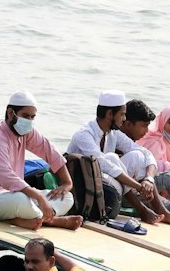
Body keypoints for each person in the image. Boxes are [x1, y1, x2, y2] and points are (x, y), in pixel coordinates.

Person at [0, 91, 82, 230]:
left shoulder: (25, 132)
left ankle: (26, 218)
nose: (29, 121)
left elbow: (49, 151)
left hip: (15, 193)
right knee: (21, 201)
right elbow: (7, 178)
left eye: (32, 117)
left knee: (66, 197)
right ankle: (51, 220)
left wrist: (67, 183)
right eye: (25, 116)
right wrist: (39, 197)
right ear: (10, 113)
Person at [67, 89, 164, 223]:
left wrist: (149, 179)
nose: (124, 119)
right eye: (122, 114)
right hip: (83, 186)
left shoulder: (113, 133)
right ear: (109, 114)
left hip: (105, 184)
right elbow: (103, 165)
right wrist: (138, 187)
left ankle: (141, 205)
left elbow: (145, 152)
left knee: (137, 156)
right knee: (111, 158)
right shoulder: (84, 134)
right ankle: (141, 208)